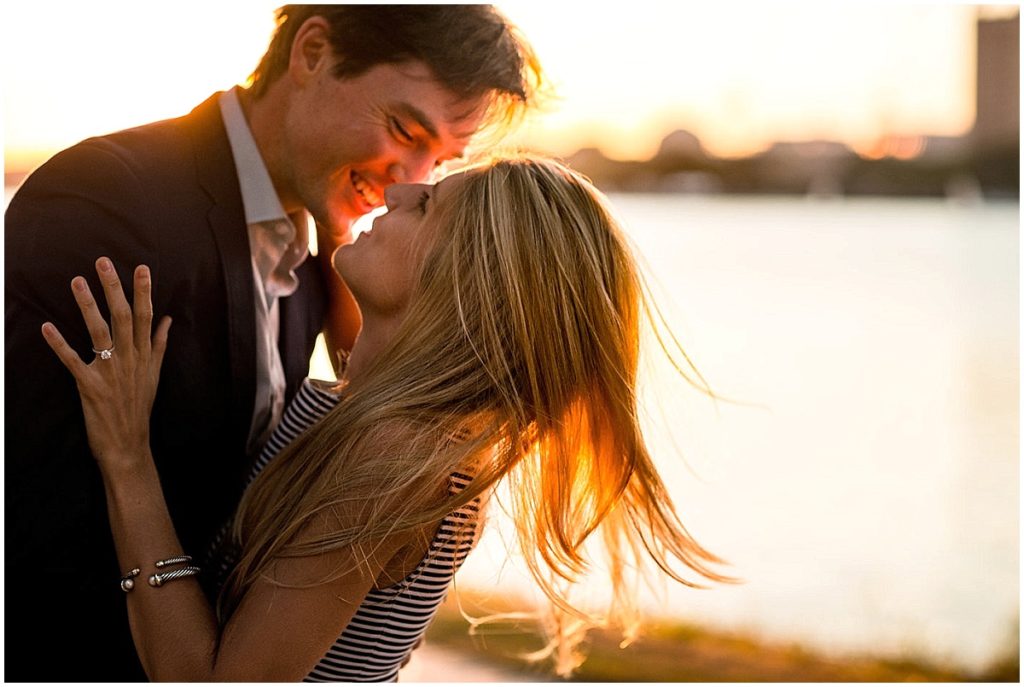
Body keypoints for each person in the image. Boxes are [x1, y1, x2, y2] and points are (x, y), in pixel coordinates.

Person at [40, 156, 731, 681]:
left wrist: (126, 456)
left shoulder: (395, 457)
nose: (399, 187)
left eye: (426, 204)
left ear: (463, 284)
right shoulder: (405, 427)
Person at [5, 6, 540, 681]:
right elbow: (30, 531)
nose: (411, 179)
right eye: (406, 130)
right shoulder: (109, 203)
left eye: (439, 162)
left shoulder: (324, 256)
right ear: (312, 52)